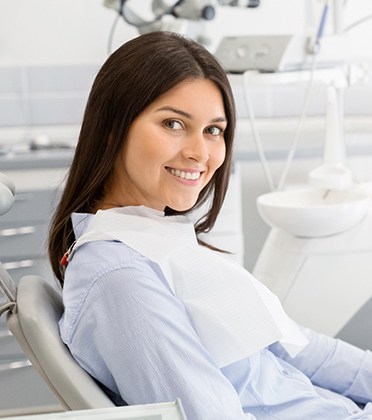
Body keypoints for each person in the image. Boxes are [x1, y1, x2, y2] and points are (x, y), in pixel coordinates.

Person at [48, 31, 372, 419]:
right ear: (113, 127)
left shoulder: (151, 238)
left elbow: (295, 347)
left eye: (213, 130)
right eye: (172, 124)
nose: (200, 153)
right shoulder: (120, 278)